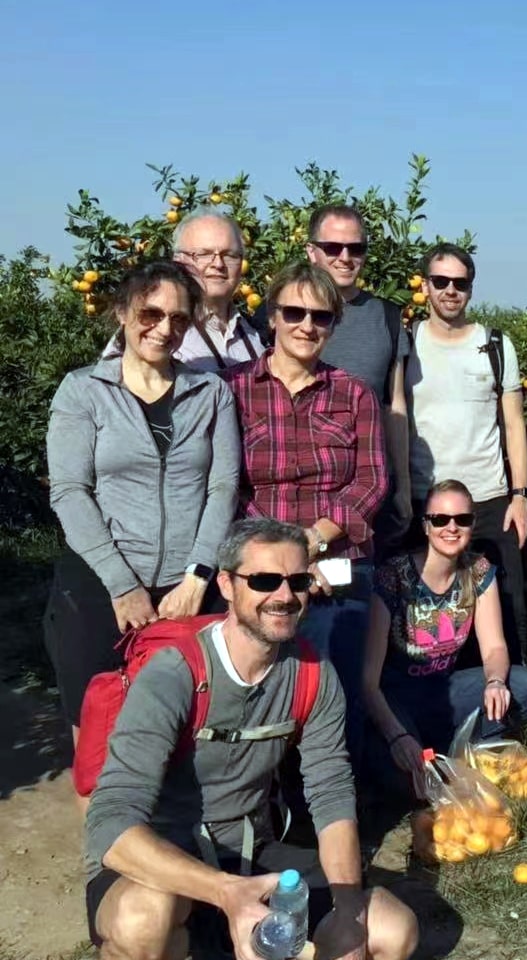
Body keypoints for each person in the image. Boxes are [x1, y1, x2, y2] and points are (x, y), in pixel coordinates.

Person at [83, 518, 417, 960]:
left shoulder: (313, 675)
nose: (283, 596)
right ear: (226, 584)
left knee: (391, 929)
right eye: (263, 581)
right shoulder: (175, 673)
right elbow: (109, 824)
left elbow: (331, 792)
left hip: (250, 853)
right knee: (142, 920)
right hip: (161, 868)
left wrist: (348, 908)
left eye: (297, 581)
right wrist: (227, 893)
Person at [44, 261, 239, 747]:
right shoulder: (84, 391)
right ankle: (103, 827)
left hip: (187, 588)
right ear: (122, 313)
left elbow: (223, 488)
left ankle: (178, 825)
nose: (164, 328)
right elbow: (70, 491)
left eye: (178, 319)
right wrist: (122, 585)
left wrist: (197, 576)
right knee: (98, 733)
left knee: (188, 727)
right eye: (150, 313)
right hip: (99, 584)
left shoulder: (210, 392)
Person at [226, 262, 386, 754]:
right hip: (259, 567)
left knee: (335, 694)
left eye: (321, 316)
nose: (306, 325)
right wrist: (282, 563)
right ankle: (261, 807)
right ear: (272, 317)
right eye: (294, 312)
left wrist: (313, 541)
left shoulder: (353, 394)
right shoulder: (232, 391)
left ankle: (338, 805)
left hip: (335, 562)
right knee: (260, 693)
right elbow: (223, 487)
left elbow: (371, 481)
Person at [362, 480, 527, 798]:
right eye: (440, 520)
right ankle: (452, 753)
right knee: (403, 779)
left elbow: (494, 647)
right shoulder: (393, 576)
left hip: (446, 689)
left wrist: (494, 682)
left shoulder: (478, 571)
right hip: (398, 698)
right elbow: (368, 682)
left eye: (462, 519)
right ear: (425, 525)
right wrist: (397, 736)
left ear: (472, 524)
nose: (451, 528)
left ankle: (460, 751)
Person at [406, 243, 527, 661]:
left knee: (507, 605)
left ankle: (512, 700)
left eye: (460, 283)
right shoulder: (406, 344)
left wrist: (521, 496)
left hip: (489, 497)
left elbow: (514, 424)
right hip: (426, 498)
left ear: (471, 289)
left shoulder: (496, 344)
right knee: (429, 607)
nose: (450, 291)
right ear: (425, 286)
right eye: (440, 281)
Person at [303, 204, 412, 551]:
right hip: (301, 494)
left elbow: (395, 406)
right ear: (312, 252)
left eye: (356, 248)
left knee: (360, 599)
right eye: (333, 248)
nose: (345, 257)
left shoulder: (387, 317)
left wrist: (404, 488)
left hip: (370, 490)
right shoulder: (285, 315)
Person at [170, 212, 265, 371]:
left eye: (229, 255)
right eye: (204, 254)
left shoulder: (256, 334)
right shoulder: (157, 332)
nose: (218, 264)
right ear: (178, 260)